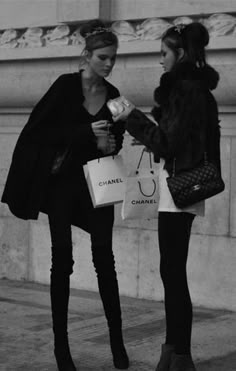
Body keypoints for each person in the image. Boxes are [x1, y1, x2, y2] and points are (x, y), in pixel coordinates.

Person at [1, 20, 129, 371]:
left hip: (98, 185)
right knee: (63, 262)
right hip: (62, 186)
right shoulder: (64, 87)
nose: (108, 64)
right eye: (103, 57)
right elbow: (38, 132)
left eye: (113, 58)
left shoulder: (116, 95)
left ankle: (117, 342)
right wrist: (86, 132)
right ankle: (62, 349)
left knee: (105, 259)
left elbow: (118, 138)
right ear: (86, 56)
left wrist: (110, 141)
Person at [113, 22, 221, 371]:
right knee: (171, 271)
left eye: (164, 54)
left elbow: (167, 143)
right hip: (186, 185)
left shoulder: (185, 90)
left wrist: (131, 118)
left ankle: (181, 356)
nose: (160, 61)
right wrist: (153, 136)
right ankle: (173, 351)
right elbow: (187, 141)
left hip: (179, 189)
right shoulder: (200, 91)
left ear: (181, 54)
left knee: (172, 274)